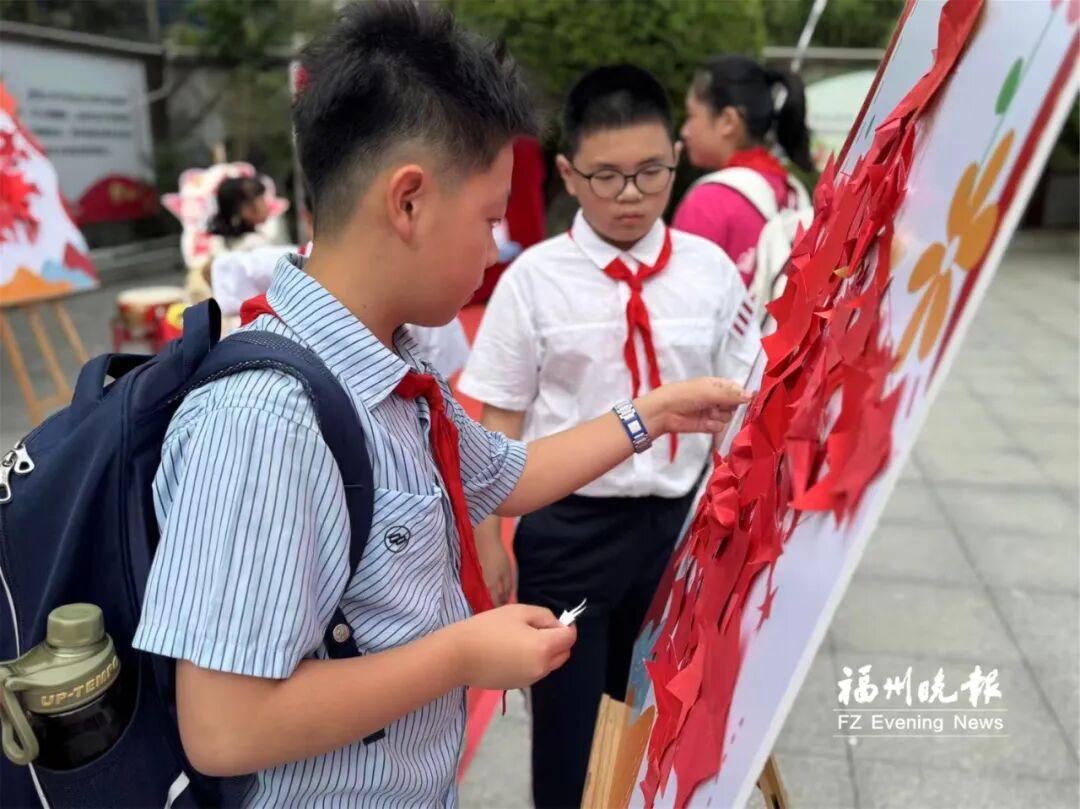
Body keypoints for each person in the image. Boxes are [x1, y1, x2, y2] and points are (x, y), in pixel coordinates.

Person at [131, 5, 750, 806]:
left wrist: (652, 414)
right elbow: (223, 728)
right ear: (409, 202)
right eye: (490, 218)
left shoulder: (390, 362)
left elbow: (509, 473)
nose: (496, 248)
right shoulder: (265, 419)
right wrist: (458, 656)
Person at [457, 64, 760, 808]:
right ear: (568, 171)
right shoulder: (534, 279)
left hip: (677, 527)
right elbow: (500, 415)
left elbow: (742, 400)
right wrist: (492, 540)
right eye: (606, 177)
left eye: (650, 173)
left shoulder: (711, 271)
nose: (631, 196)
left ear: (675, 160)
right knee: (567, 728)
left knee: (657, 712)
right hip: (570, 531)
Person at [674, 55, 813, 287]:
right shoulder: (794, 192)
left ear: (728, 120)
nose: (684, 131)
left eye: (691, 115)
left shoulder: (708, 201)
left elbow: (681, 302)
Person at [187, 176, 277, 303]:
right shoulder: (255, 245)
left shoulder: (216, 244)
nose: (266, 204)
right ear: (243, 209)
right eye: (260, 198)